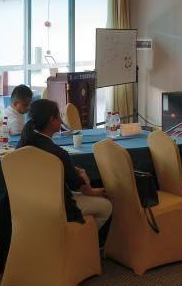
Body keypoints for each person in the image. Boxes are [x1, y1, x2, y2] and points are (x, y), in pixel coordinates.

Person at [17, 99, 112, 241]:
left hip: (25, 204)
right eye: (59, 116)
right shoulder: (58, 153)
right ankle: (79, 243)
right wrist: (92, 190)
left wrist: (74, 170)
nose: (61, 119)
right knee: (106, 206)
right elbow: (77, 186)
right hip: (55, 205)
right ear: (51, 120)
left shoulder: (22, 145)